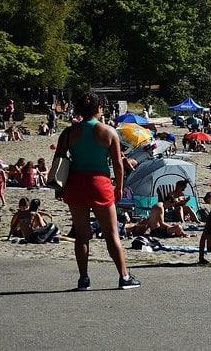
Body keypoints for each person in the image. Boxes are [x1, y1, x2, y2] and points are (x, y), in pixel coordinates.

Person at [57, 91, 139, 290]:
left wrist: (58, 187)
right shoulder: (108, 131)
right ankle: (124, 276)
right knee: (112, 233)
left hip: (76, 182)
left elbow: (58, 160)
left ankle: (84, 278)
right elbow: (118, 164)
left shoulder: (68, 133)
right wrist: (118, 187)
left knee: (82, 235)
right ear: (98, 109)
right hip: (99, 183)